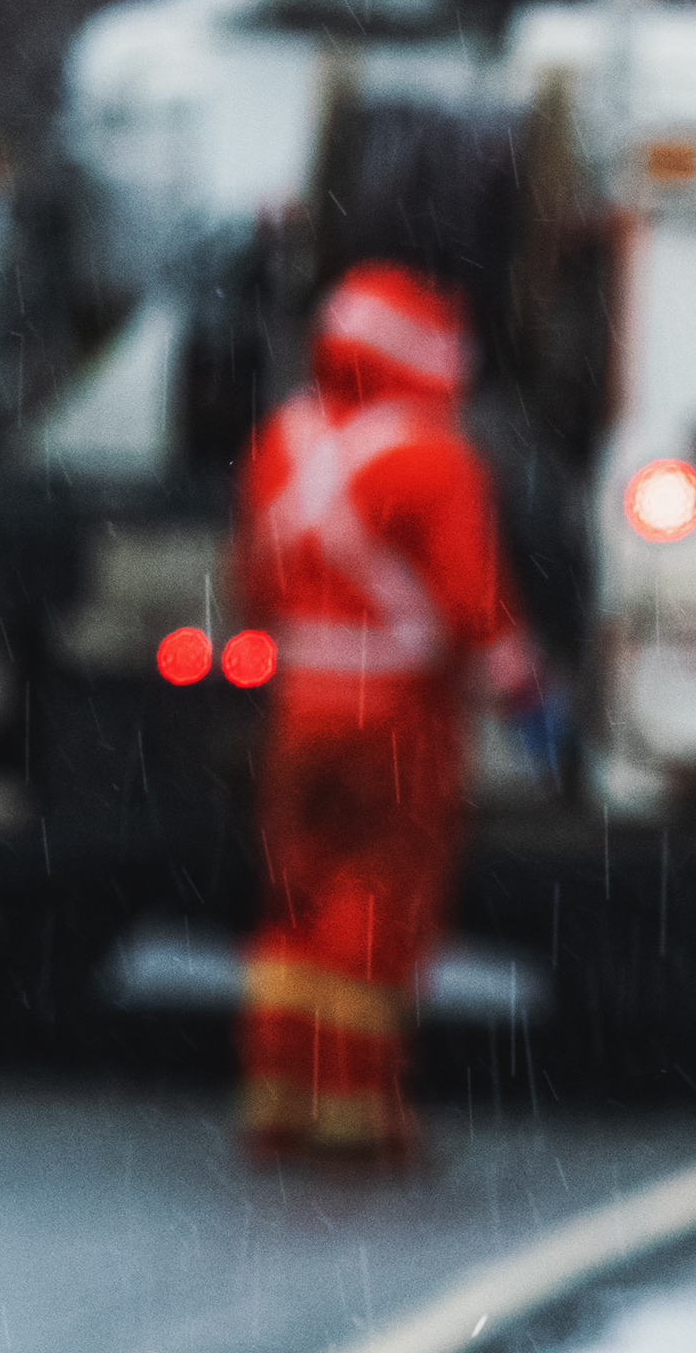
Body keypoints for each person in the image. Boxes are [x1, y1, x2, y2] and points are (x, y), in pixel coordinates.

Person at [228, 260, 533, 1169]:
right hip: (396, 713)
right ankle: (355, 1107)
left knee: (296, 892)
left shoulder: (285, 440)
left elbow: (254, 580)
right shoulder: (434, 458)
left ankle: (276, 1089)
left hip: (299, 705)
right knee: (376, 898)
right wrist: (526, 690)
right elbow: (473, 601)